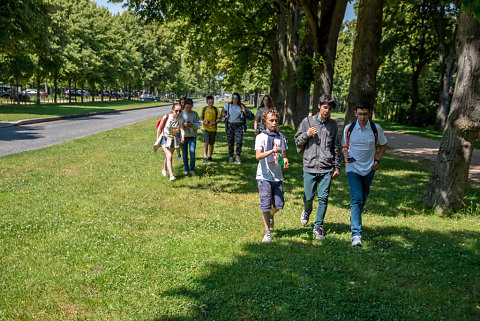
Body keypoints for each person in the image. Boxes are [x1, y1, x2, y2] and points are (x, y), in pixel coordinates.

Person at [294, 94, 341, 240]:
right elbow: (297, 141)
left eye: (330, 108)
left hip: (327, 168)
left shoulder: (333, 125)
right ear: (319, 106)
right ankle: (307, 210)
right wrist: (306, 134)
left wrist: (337, 167)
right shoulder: (307, 122)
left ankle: (318, 226)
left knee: (323, 198)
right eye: (325, 107)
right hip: (310, 166)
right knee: (309, 197)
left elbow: (336, 147)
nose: (327, 111)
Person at [342, 102, 387, 247]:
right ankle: (356, 234)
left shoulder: (375, 128)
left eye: (365, 114)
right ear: (355, 113)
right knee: (356, 199)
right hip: (352, 168)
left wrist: (377, 161)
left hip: (369, 168)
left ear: (369, 114)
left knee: (362, 199)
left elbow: (383, 144)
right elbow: (344, 147)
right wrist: (345, 156)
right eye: (360, 114)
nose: (362, 117)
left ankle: (355, 218)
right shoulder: (349, 128)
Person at [255, 109, 289, 243]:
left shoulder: (281, 137)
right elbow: (258, 156)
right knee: (265, 205)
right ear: (264, 122)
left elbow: (283, 156)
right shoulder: (261, 137)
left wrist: (285, 161)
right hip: (264, 176)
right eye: (271, 120)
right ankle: (267, 233)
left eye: (275, 120)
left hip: (277, 176)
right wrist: (271, 151)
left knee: (279, 205)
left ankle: (270, 216)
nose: (274, 123)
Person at [153, 103, 185, 181]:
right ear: (172, 110)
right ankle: (171, 176)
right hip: (165, 138)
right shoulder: (166, 117)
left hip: (174, 139)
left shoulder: (180, 119)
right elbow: (160, 128)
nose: (178, 113)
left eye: (180, 111)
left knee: (168, 156)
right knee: (169, 155)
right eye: (176, 111)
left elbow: (182, 129)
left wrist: (183, 137)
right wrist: (157, 139)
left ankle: (164, 170)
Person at [222, 92, 247, 164]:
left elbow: (245, 115)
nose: (234, 100)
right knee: (230, 141)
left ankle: (237, 157)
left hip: (238, 125)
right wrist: (224, 115)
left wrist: (244, 111)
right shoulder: (228, 105)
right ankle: (230, 156)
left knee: (239, 141)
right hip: (230, 125)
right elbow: (223, 111)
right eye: (233, 98)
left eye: (236, 98)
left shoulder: (241, 106)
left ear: (238, 99)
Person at [179, 98, 201, 175]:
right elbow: (176, 125)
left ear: (192, 106)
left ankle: (192, 169)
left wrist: (192, 125)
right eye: (187, 107)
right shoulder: (181, 114)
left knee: (192, 152)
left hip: (192, 136)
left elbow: (199, 125)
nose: (188, 109)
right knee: (184, 153)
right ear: (184, 106)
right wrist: (183, 125)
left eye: (190, 107)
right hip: (183, 136)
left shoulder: (195, 114)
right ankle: (186, 169)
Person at [200, 95, 221, 163]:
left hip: (213, 129)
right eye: (209, 102)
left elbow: (219, 119)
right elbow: (201, 118)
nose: (211, 104)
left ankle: (210, 156)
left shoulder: (216, 109)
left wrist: (215, 122)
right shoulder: (204, 109)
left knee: (211, 144)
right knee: (206, 142)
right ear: (207, 102)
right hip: (205, 128)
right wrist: (203, 122)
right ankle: (205, 157)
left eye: (212, 102)